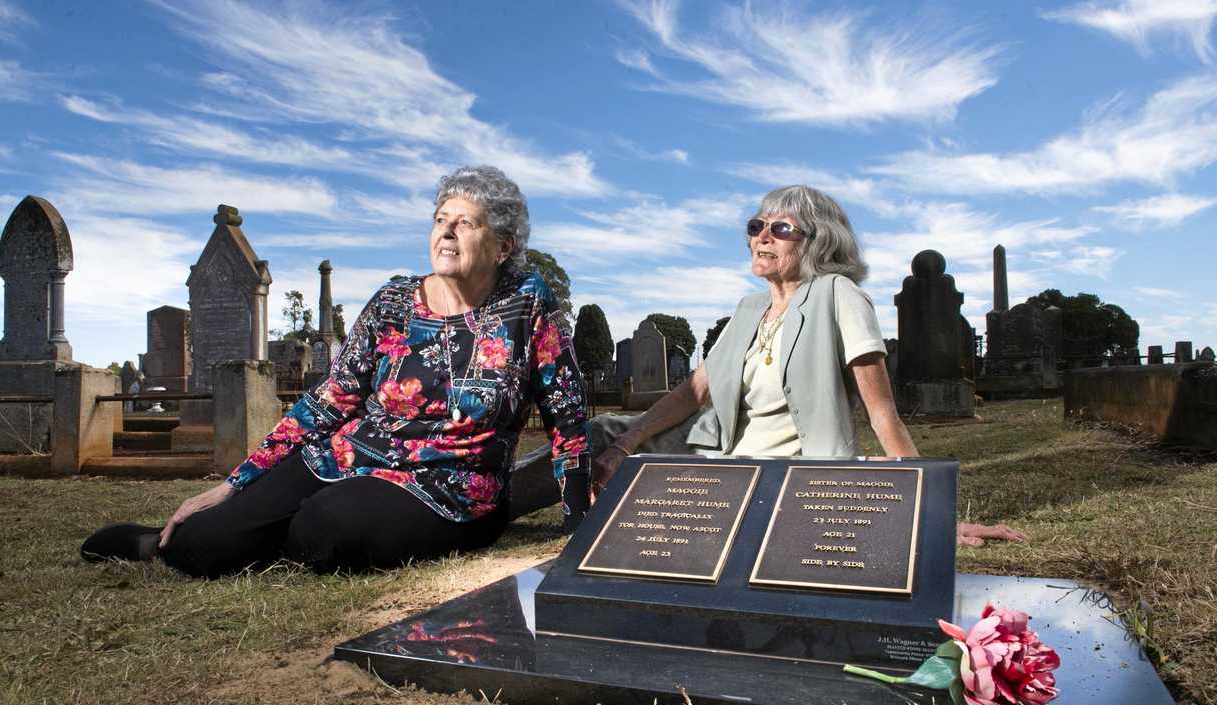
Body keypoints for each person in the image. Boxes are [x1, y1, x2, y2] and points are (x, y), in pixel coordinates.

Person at [82, 166, 591, 576]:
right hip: (347, 457)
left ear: (502, 247)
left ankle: (291, 541)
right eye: (441, 219)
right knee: (207, 541)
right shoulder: (393, 302)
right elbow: (331, 398)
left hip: (450, 489)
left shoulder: (527, 305)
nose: (447, 232)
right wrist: (236, 484)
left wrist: (578, 525)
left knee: (327, 526)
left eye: (466, 222)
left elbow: (565, 415)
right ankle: (173, 543)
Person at [589, 185, 1023, 548]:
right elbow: (695, 390)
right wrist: (625, 443)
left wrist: (931, 515)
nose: (762, 238)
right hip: (716, 456)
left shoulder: (839, 295)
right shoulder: (750, 308)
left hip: (781, 477)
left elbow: (881, 412)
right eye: (756, 227)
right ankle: (516, 499)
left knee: (605, 440)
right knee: (596, 433)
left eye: (780, 229)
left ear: (819, 241)